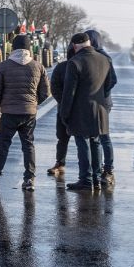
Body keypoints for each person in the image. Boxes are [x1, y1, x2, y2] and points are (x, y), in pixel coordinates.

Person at [0, 35, 48, 191]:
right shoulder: (37, 66)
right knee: (28, 145)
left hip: (9, 112)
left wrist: (1, 103)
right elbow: (45, 92)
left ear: (13, 48)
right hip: (29, 113)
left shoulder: (4, 66)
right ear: (29, 49)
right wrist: (33, 104)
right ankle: (29, 179)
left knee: (3, 145)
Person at [60, 33, 113, 192]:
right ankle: (96, 179)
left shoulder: (75, 62)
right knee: (96, 142)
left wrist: (65, 113)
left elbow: (69, 92)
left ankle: (85, 179)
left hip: (80, 109)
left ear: (75, 46)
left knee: (82, 143)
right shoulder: (105, 59)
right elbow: (109, 84)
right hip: (100, 108)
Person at [86, 29, 118, 186]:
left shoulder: (104, 57)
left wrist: (100, 93)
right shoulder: (91, 55)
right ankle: (96, 170)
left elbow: (112, 80)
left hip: (103, 102)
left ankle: (108, 170)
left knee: (103, 136)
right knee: (94, 137)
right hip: (95, 102)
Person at [47, 45, 76, 177]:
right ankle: (60, 163)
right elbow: (54, 86)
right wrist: (63, 102)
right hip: (63, 109)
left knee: (86, 140)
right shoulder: (62, 67)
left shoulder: (85, 65)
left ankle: (91, 168)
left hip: (81, 109)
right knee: (62, 137)